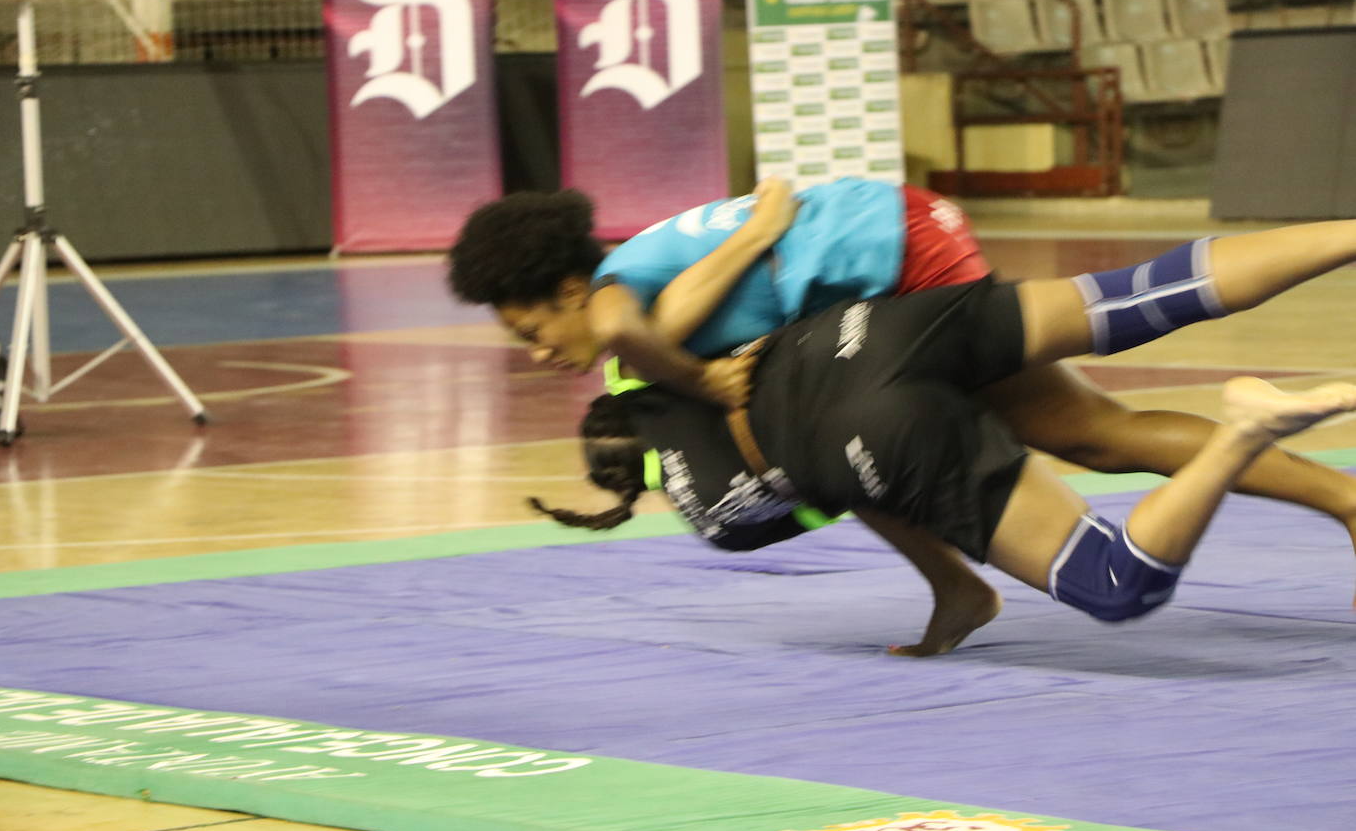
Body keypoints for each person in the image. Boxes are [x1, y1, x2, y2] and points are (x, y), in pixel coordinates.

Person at [448, 179, 1356, 558]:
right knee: (1099, 405)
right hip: (893, 233)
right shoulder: (633, 272)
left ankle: (1344, 500)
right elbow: (680, 310)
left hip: (896, 254)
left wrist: (704, 382)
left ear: (567, 285)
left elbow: (643, 336)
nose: (537, 352)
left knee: (1094, 418)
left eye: (531, 325)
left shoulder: (614, 306)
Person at [528, 270, 1356, 655]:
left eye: (529, 331)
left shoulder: (712, 515)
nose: (535, 351)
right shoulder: (646, 347)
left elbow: (848, 495)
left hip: (878, 423)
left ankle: (1251, 436)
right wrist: (766, 217)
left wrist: (951, 583)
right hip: (891, 303)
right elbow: (696, 294)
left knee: (1109, 544)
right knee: (1128, 342)